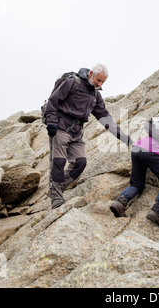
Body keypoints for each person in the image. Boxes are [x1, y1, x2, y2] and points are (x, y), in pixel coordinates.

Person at [44, 64, 131, 209]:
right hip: (60, 126)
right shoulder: (72, 83)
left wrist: (122, 136)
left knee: (80, 162)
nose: (100, 84)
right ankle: (56, 198)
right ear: (91, 74)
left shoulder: (95, 95)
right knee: (58, 162)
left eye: (103, 82)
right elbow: (53, 101)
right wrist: (51, 122)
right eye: (98, 80)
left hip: (77, 132)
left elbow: (104, 117)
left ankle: (55, 189)